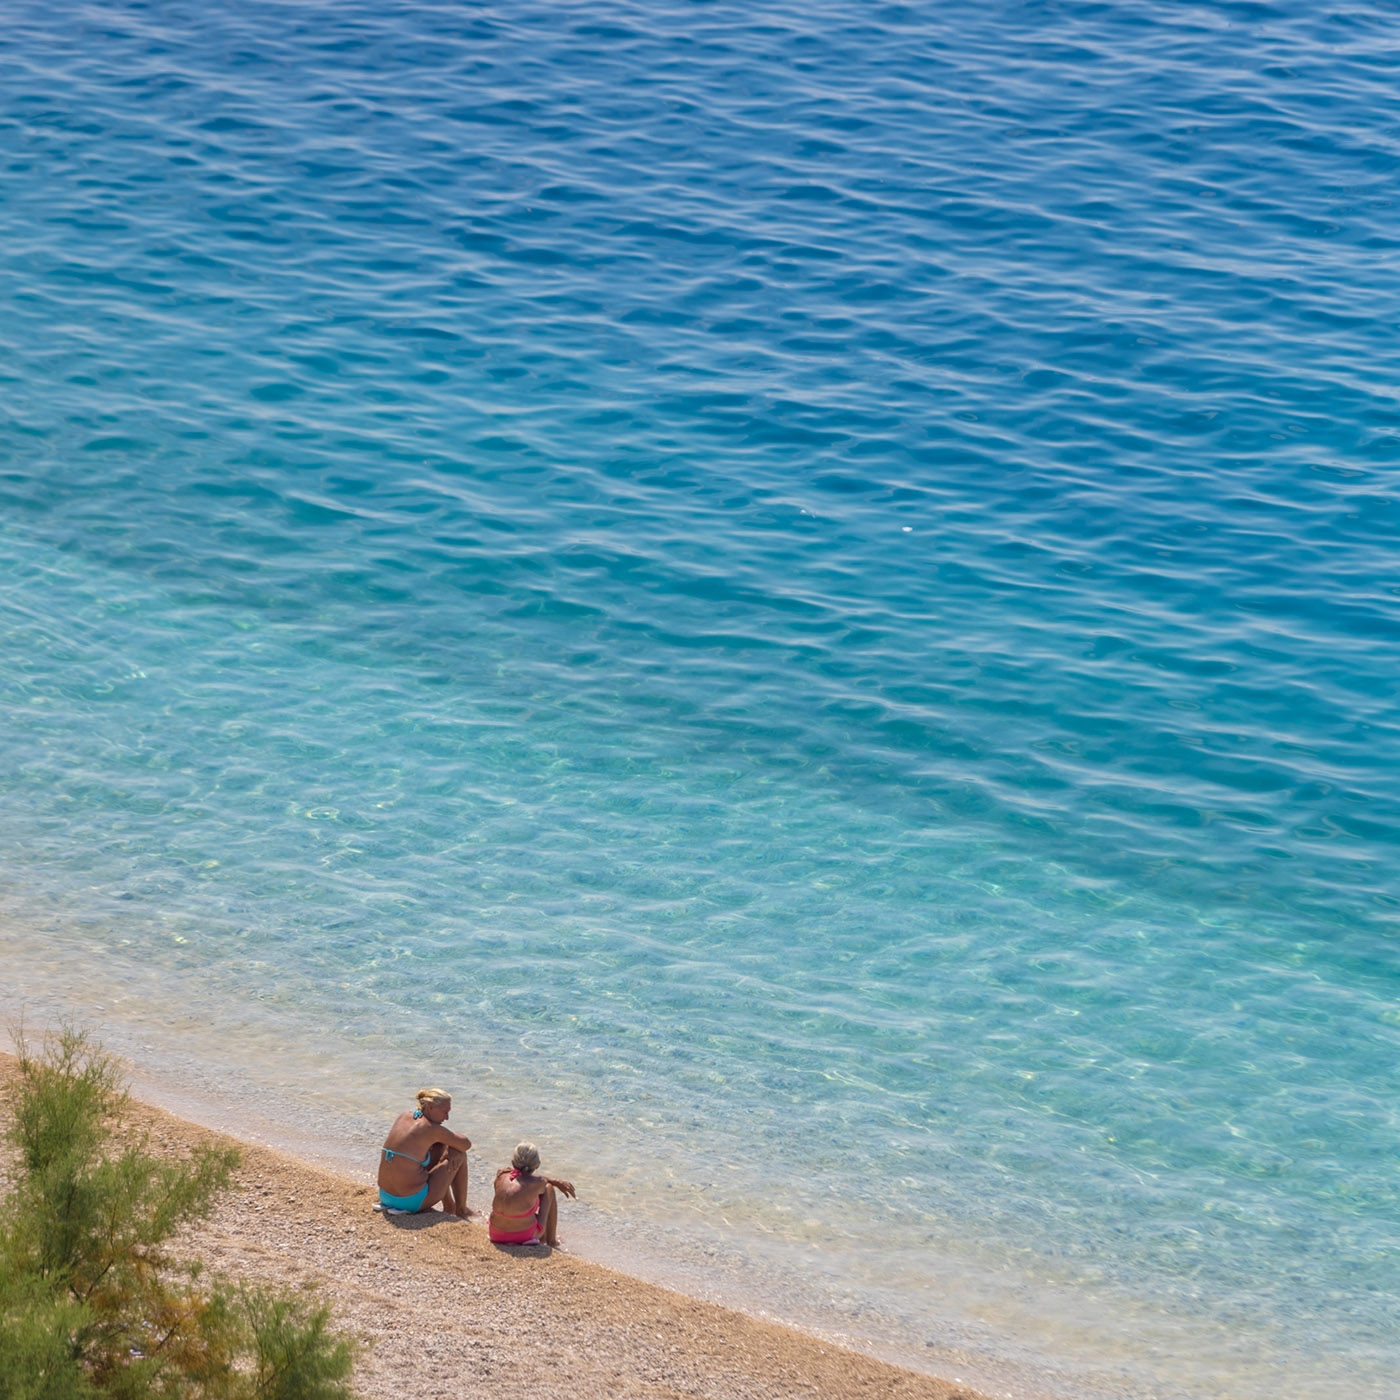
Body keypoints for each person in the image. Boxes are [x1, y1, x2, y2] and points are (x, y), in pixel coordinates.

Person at [378, 1088, 476, 1217]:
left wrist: (447, 1143)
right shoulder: (431, 1129)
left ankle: (449, 1205)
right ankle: (462, 1209)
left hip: (385, 1196)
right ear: (430, 1106)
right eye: (445, 1112)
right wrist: (451, 1144)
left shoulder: (404, 1116)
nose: (447, 1118)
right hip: (409, 1201)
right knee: (459, 1154)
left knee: (439, 1145)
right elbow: (466, 1144)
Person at [488, 1141, 575, 1246]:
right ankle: (552, 1241)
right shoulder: (538, 1183)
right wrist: (555, 1182)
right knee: (549, 1188)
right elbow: (540, 1180)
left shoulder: (501, 1176)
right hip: (524, 1236)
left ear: (513, 1162)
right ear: (538, 1164)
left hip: (496, 1234)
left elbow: (523, 1181)